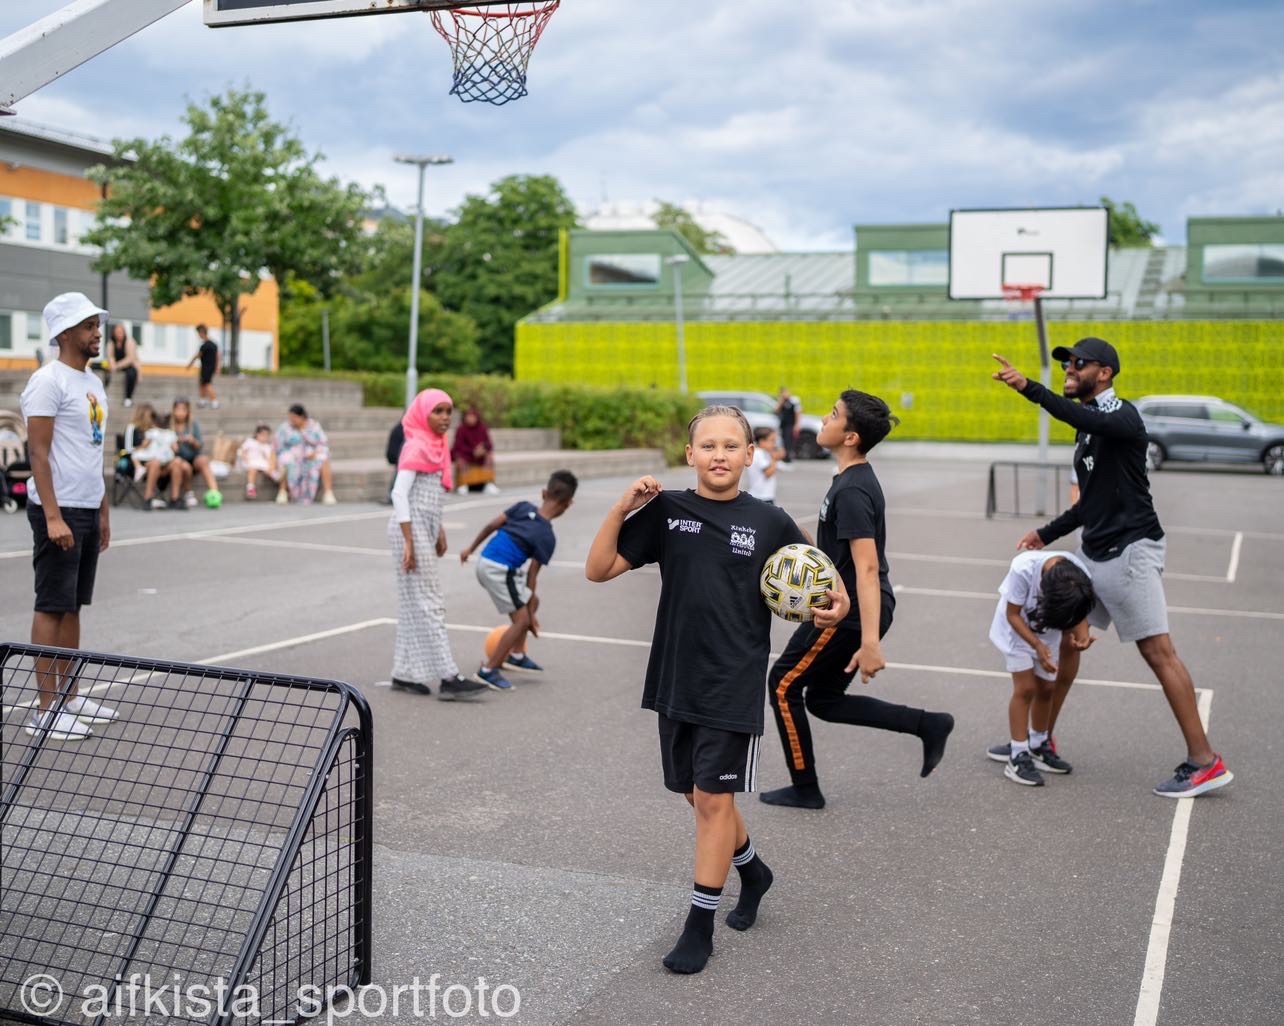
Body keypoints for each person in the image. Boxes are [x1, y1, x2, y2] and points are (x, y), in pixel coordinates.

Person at [585, 405, 850, 975]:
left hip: (732, 679)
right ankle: (753, 871)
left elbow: (823, 579)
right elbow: (598, 569)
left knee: (712, 801)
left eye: (732, 445)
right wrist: (621, 507)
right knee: (695, 793)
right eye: (708, 446)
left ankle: (698, 925)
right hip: (675, 675)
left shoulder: (770, 521)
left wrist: (840, 604)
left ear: (750, 454)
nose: (720, 455)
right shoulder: (667, 512)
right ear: (690, 455)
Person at [992, 337, 1234, 798]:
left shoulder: (1122, 416)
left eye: (1078, 363)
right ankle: (1039, 740)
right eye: (1066, 363)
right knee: (1069, 641)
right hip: (1095, 550)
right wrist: (1045, 533)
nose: (1069, 369)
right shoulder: (1088, 431)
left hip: (1131, 550)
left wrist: (1029, 388)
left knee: (1158, 652)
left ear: (1103, 373)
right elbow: (1090, 503)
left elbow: (1083, 417)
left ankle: (1205, 761)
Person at [760, 391, 956, 810]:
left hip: (847, 613)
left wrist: (870, 642)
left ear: (850, 436)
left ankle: (805, 787)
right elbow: (839, 557)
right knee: (824, 701)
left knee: (783, 684)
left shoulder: (852, 490)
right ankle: (928, 724)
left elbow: (866, 568)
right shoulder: (849, 480)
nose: (823, 419)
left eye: (833, 414)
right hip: (852, 606)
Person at [19, 292, 119, 741]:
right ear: (64, 333)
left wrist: (103, 510)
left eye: (97, 325)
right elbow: (38, 454)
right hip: (57, 510)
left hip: (86, 505)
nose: (97, 333)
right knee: (51, 604)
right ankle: (45, 710)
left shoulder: (93, 382)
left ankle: (71, 696)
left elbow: (91, 452)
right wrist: (53, 516)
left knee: (73, 604)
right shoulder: (47, 381)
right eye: (88, 326)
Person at [388, 388, 488, 702]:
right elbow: (399, 495)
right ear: (423, 414)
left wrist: (438, 528)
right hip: (409, 528)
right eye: (438, 411)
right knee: (430, 601)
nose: (445, 418)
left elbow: (428, 497)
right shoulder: (416, 445)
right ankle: (449, 677)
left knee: (413, 602)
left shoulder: (438, 444)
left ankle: (403, 673)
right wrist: (409, 541)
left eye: (448, 411)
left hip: (424, 526)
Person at [459, 470, 579, 690]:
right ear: (568, 504)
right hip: (498, 570)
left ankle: (516, 654)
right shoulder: (547, 536)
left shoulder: (523, 507)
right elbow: (532, 576)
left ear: (544, 493)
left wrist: (470, 549)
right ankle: (488, 671)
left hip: (487, 561)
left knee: (532, 603)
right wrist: (529, 619)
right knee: (521, 621)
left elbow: (491, 525)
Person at [985, 551, 1096, 786]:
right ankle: (1018, 754)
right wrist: (1036, 645)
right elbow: (1012, 614)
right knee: (1026, 688)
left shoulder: (1079, 576)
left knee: (1047, 688)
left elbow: (1079, 613)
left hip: (1048, 633)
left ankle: (1037, 744)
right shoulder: (1023, 569)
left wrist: (1082, 636)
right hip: (1017, 631)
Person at [274, 404, 336, 506]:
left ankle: (328, 493)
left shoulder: (314, 426)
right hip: (293, 456)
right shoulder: (285, 427)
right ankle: (282, 492)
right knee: (285, 459)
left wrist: (314, 453)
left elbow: (323, 444)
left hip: (311, 456)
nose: (292, 420)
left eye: (294, 417)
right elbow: (278, 446)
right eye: (290, 417)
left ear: (302, 416)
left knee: (323, 458)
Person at [170, 398, 221, 508]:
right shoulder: (170, 425)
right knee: (185, 466)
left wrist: (192, 441)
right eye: (177, 410)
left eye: (183, 410)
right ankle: (189, 492)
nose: (180, 413)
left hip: (193, 457)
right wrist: (175, 443)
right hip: (178, 459)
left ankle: (215, 493)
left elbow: (200, 445)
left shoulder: (193, 424)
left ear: (187, 411)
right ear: (173, 410)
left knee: (203, 460)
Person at [451, 406, 500, 495]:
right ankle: (463, 484)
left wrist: (482, 448)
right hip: (466, 454)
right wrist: (473, 451)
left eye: (473, 417)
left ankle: (488, 483)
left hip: (480, 455)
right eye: (468, 416)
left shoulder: (482, 428)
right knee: (460, 459)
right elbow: (458, 446)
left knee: (489, 457)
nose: (470, 419)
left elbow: (489, 443)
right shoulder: (461, 429)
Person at [237, 423, 279, 500]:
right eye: (263, 435)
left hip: (261, 462)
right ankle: (251, 488)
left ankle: (276, 477)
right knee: (253, 470)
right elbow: (243, 451)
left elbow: (269, 457)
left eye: (267, 435)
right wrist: (245, 458)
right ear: (257, 434)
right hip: (251, 461)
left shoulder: (266, 446)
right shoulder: (250, 442)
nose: (264, 437)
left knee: (268, 469)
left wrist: (271, 465)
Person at [185, 324, 220, 409]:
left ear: (202, 333)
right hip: (210, 367)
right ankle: (202, 400)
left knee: (207, 384)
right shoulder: (214, 344)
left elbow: (198, 355)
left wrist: (190, 364)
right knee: (202, 384)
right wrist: (217, 367)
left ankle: (215, 401)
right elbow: (218, 356)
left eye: (198, 333)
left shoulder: (204, 346)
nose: (198, 335)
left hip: (206, 368)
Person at [745, 426, 782, 503]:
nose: (774, 444)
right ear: (762, 441)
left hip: (763, 496)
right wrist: (775, 459)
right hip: (761, 496)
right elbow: (768, 473)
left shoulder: (764, 453)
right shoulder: (758, 453)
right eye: (772, 440)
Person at [107, 323, 141, 408]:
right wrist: (112, 364)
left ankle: (128, 398)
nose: (119, 334)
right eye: (117, 332)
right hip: (116, 366)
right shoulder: (111, 343)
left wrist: (117, 365)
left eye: (121, 332)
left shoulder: (130, 341)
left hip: (129, 365)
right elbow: (110, 356)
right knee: (104, 369)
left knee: (132, 373)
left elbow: (130, 358)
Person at [775, 387, 799, 462]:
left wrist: (796, 425)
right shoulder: (781, 402)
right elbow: (776, 410)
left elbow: (797, 413)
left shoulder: (793, 401)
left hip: (790, 424)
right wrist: (781, 401)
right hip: (783, 425)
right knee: (783, 441)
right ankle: (785, 457)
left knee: (788, 440)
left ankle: (788, 457)